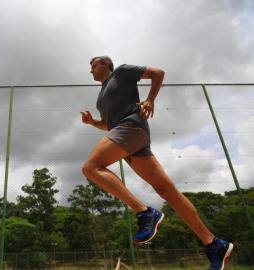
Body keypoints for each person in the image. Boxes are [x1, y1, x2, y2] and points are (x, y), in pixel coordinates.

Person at [80, 56, 233, 270]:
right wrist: (93, 122)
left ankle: (145, 212)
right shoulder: (100, 98)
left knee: (91, 167)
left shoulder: (122, 72)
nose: (91, 70)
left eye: (93, 65)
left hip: (131, 128)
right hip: (127, 136)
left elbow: (157, 72)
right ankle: (214, 243)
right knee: (167, 190)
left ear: (105, 64)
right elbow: (108, 124)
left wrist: (150, 99)